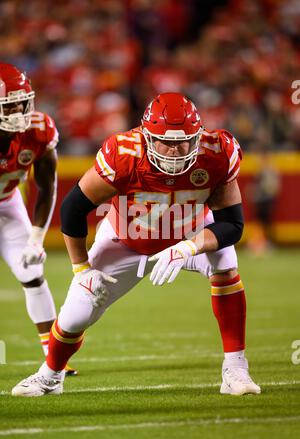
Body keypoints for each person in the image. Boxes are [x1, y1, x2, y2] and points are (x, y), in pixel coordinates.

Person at [12, 92, 260, 396]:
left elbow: (232, 225)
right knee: (76, 315)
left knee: (225, 261)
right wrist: (82, 269)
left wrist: (188, 248)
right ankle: (50, 376)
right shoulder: (125, 154)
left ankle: (235, 368)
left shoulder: (217, 151)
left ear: (198, 135)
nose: (176, 150)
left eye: (184, 140)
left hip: (188, 233)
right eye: (166, 142)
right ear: (146, 136)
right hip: (125, 240)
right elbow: (72, 209)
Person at [0, 63, 76, 375]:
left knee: (32, 271)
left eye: (22, 102)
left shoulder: (38, 130)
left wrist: (35, 239)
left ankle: (53, 355)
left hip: (6, 203)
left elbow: (46, 188)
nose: (18, 110)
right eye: (9, 104)